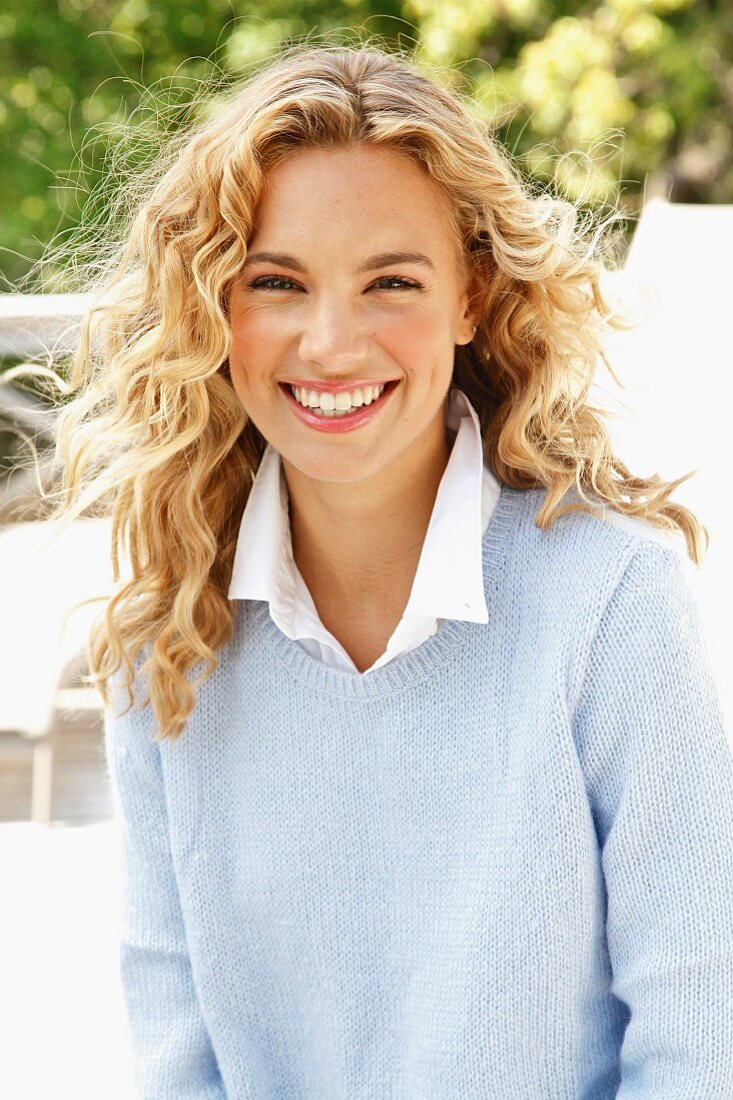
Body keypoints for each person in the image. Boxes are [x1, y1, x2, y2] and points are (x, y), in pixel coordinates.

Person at [9, 38, 733, 1099]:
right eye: (277, 283)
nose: (332, 341)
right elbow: (176, 1058)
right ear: (216, 309)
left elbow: (700, 1028)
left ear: (472, 295)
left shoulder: (607, 600)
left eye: (390, 280)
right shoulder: (166, 636)